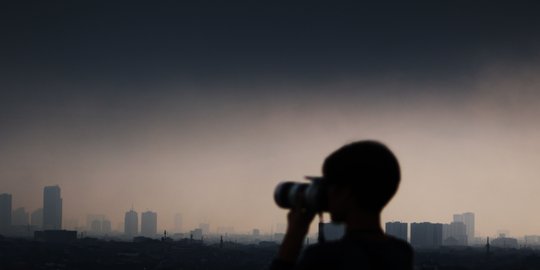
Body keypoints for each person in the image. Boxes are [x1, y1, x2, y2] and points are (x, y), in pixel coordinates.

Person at [270, 140, 413, 270]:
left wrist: (294, 235)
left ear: (345, 193)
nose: (327, 194)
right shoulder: (401, 252)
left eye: (329, 186)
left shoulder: (323, 257)